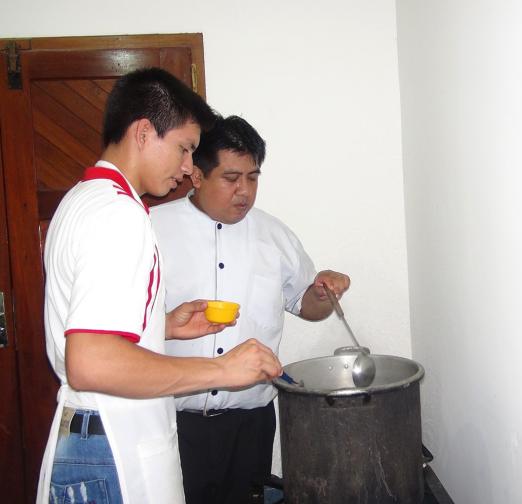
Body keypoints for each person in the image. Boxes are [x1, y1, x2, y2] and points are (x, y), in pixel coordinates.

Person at [38, 69, 285, 504]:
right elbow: (91, 361)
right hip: (113, 445)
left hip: (96, 436)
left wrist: (162, 326)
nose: (189, 167)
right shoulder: (118, 216)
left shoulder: (83, 200)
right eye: (184, 148)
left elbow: (90, 331)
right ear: (143, 133)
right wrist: (222, 370)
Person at [150, 115, 350, 503]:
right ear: (197, 175)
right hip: (172, 421)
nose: (244, 191)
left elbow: (306, 306)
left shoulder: (274, 235)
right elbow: (128, 324)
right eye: (231, 178)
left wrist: (322, 293)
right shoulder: (152, 230)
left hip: (250, 423)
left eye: (253, 178)